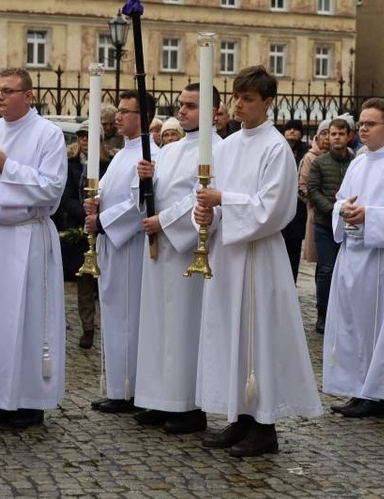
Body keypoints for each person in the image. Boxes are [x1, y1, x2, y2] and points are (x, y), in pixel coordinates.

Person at [193, 66, 322, 458]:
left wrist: (223, 203)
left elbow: (274, 208)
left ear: (268, 103)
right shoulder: (227, 146)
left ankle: (264, 426)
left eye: (248, 98)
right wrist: (207, 216)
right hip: (227, 254)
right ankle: (240, 416)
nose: (239, 104)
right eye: (236, 97)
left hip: (258, 255)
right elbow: (211, 197)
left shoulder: (275, 148)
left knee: (258, 336)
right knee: (231, 334)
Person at [0, 67, 67, 429]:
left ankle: (29, 401)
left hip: (27, 238)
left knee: (28, 319)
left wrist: (7, 167)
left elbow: (52, 189)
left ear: (29, 95)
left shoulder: (48, 135)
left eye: (7, 91)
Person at [134, 83, 222, 434]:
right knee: (156, 326)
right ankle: (158, 398)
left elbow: (201, 196)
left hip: (187, 251)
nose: (182, 111)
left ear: (213, 111)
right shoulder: (169, 150)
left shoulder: (218, 149)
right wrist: (144, 182)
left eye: (191, 106)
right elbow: (154, 192)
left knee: (183, 327)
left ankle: (187, 405)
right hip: (158, 250)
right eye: (180, 105)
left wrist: (164, 221)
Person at [321, 100, 384, 418]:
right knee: (352, 325)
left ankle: (377, 396)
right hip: (352, 255)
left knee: (376, 326)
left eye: (370, 124)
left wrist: (369, 217)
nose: (362, 128)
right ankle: (358, 388)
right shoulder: (359, 162)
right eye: (361, 123)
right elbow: (338, 201)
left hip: (379, 259)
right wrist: (343, 211)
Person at [84, 90, 160, 413]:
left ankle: (130, 389)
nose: (119, 116)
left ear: (144, 118)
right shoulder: (119, 154)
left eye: (127, 111)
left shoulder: (148, 155)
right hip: (111, 246)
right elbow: (109, 192)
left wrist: (102, 221)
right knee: (114, 315)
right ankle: (116, 386)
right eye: (119, 110)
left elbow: (139, 204)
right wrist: (95, 202)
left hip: (129, 246)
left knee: (128, 316)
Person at [54, 121, 110, 348]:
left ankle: (107, 323)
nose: (85, 140)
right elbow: (65, 197)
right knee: (84, 282)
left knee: (105, 282)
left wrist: (99, 217)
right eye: (82, 136)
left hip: (104, 227)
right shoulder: (71, 165)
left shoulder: (109, 164)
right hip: (81, 227)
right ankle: (88, 327)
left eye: (90, 136)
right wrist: (84, 216)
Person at [306, 119, 355, 334]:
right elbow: (313, 191)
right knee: (327, 269)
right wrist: (334, 209)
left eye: (341, 134)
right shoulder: (319, 162)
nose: (336, 138)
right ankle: (323, 312)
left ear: (348, 136)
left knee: (348, 270)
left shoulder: (355, 162)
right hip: (325, 225)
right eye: (333, 134)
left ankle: (344, 312)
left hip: (349, 227)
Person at [298, 119, 331, 263]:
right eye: (324, 133)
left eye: (331, 133)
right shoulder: (310, 157)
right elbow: (301, 187)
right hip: (316, 212)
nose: (328, 137)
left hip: (336, 213)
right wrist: (318, 202)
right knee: (322, 261)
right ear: (317, 137)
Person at [281, 119, 309, 282]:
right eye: (289, 128)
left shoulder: (306, 152)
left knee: (293, 252)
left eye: (296, 129)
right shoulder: (279, 148)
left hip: (298, 211)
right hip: (281, 207)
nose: (292, 131)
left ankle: (292, 282)